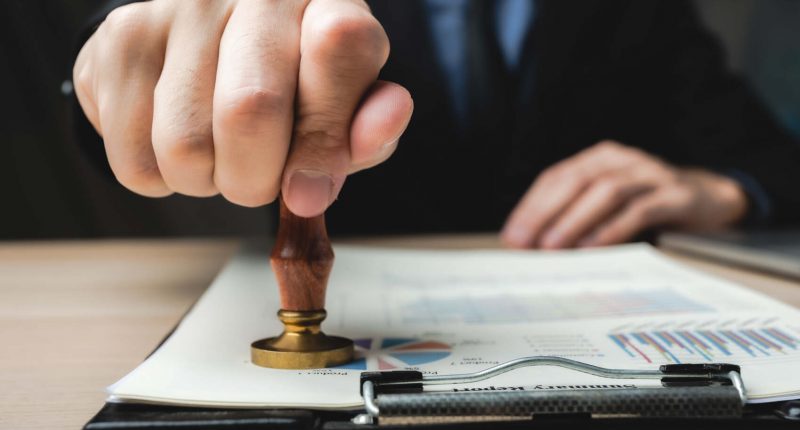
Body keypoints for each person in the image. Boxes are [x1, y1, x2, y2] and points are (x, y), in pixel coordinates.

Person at [71, 0, 800, 248]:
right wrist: (123, 72)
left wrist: (719, 190)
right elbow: (141, 63)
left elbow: (771, 159)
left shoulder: (641, 10)